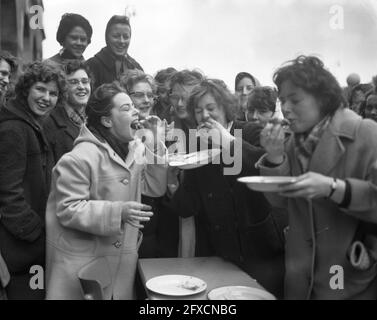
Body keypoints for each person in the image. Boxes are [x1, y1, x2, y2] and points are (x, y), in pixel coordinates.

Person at [257, 55, 377, 300]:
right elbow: (281, 203)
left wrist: (334, 188)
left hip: (348, 282)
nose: (286, 108)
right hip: (300, 280)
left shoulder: (365, 133)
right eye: (282, 100)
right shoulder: (294, 142)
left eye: (295, 99)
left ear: (323, 98)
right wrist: (275, 157)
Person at [45, 82, 168, 299]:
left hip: (120, 268)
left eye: (133, 107)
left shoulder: (136, 150)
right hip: (82, 273)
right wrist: (118, 212)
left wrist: (156, 141)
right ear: (107, 120)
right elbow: (68, 209)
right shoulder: (78, 158)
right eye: (126, 108)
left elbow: (155, 188)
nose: (136, 112)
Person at [170, 79, 286, 298]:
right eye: (198, 111)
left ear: (225, 108)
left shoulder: (251, 131)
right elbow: (186, 207)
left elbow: (267, 167)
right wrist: (173, 172)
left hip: (263, 250)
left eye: (211, 108)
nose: (204, 115)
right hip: (223, 256)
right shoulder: (199, 146)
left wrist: (228, 141)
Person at [0, 61, 66, 300]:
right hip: (21, 252)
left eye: (53, 93)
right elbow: (8, 195)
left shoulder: (32, 124)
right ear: (26, 89)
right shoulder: (14, 129)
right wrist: (37, 234)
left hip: (29, 252)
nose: (46, 98)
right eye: (40, 89)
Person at [44, 61, 91, 163]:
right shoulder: (50, 123)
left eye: (85, 81)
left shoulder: (93, 119)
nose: (81, 87)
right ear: (63, 87)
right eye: (74, 82)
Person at [86, 15, 143, 90]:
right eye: (116, 36)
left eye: (126, 37)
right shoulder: (91, 66)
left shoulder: (136, 67)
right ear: (106, 37)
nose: (121, 41)